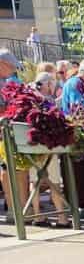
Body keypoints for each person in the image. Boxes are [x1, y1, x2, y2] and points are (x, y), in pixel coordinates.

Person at [28, 68, 71, 228]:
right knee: (54, 181)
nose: (53, 86)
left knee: (35, 181)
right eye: (52, 84)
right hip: (46, 146)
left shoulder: (30, 98)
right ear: (47, 84)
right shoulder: (46, 102)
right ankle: (61, 218)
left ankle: (38, 217)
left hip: (31, 148)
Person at [0, 49, 29, 220]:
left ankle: (18, 209)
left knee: (13, 168)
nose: (13, 71)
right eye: (11, 67)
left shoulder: (4, 81)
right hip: (3, 132)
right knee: (6, 168)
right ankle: (13, 210)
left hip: (7, 131)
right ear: (2, 64)